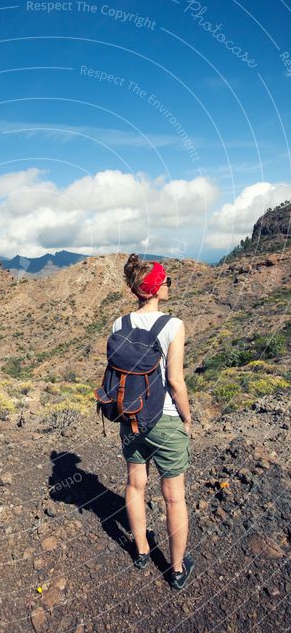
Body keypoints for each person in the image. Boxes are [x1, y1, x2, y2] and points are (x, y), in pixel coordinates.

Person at [113, 253, 195, 591]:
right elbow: (175, 382)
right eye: (166, 280)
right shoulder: (173, 326)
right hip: (165, 418)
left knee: (135, 484)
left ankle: (143, 551)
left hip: (130, 417)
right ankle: (176, 569)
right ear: (156, 287)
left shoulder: (120, 324)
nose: (168, 285)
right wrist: (187, 419)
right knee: (173, 496)